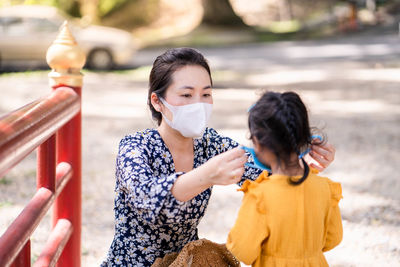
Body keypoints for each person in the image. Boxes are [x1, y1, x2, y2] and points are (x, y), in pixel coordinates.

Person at [101, 48, 336, 266]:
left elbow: (265, 172)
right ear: (157, 101)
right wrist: (206, 175)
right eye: (186, 95)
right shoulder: (134, 147)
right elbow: (147, 199)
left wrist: (302, 161)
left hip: (187, 261)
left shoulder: (210, 143)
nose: (199, 104)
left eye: (206, 94)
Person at [226, 91, 343, 267]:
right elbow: (333, 239)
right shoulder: (325, 188)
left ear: (257, 142)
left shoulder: (260, 196)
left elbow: (243, 251)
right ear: (304, 137)